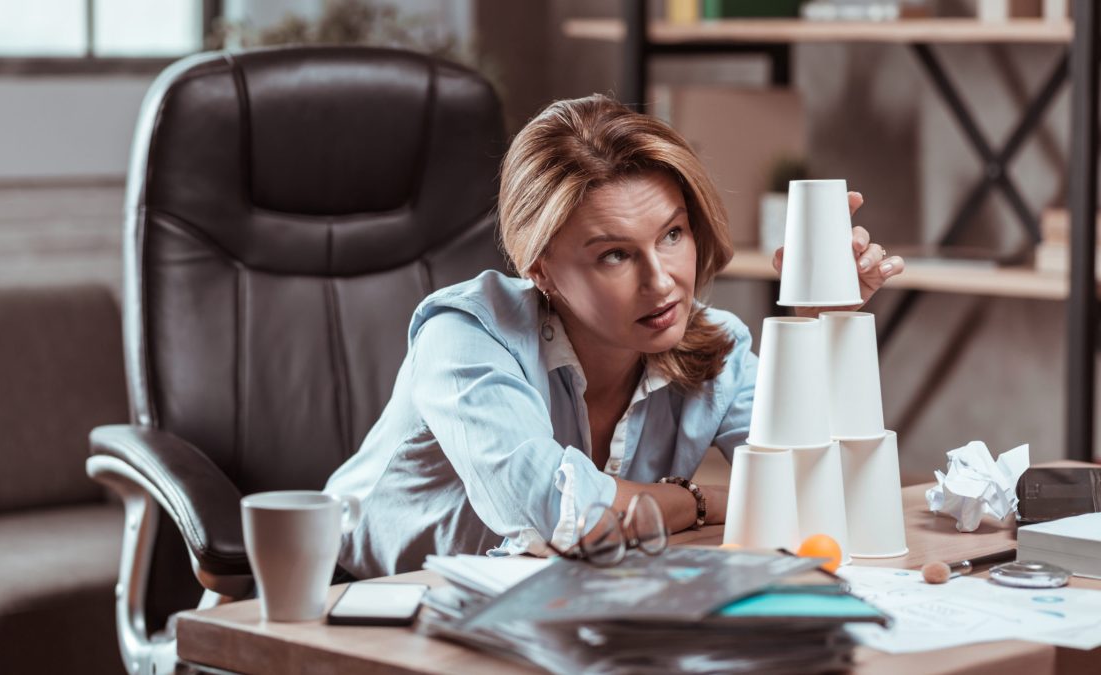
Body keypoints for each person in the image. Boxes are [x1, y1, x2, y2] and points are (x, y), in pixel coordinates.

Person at [325, 94, 905, 580]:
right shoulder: (466, 336)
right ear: (541, 267)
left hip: (556, 597)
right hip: (358, 606)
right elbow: (561, 516)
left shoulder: (716, 343)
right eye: (614, 255)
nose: (662, 281)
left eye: (672, 234)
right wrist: (702, 501)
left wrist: (821, 325)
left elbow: (813, 496)